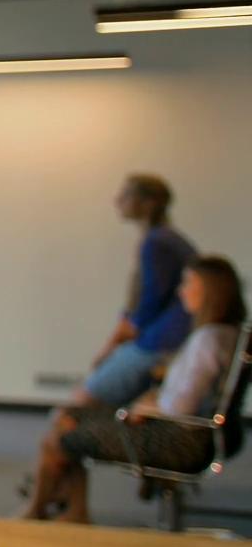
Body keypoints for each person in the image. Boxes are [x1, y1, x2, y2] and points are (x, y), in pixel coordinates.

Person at [22, 255, 246, 523]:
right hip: (195, 433)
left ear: (210, 291)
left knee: (61, 432)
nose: (181, 291)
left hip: (179, 439)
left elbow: (179, 407)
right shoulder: (225, 335)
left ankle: (40, 511)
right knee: (68, 417)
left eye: (189, 283)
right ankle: (69, 509)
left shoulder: (207, 341)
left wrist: (145, 407)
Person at [79, 174, 199, 410]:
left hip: (160, 342)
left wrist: (114, 342)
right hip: (167, 338)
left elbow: (148, 303)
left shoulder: (157, 242)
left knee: (76, 406)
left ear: (149, 202)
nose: (117, 201)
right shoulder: (164, 238)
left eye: (126, 195)